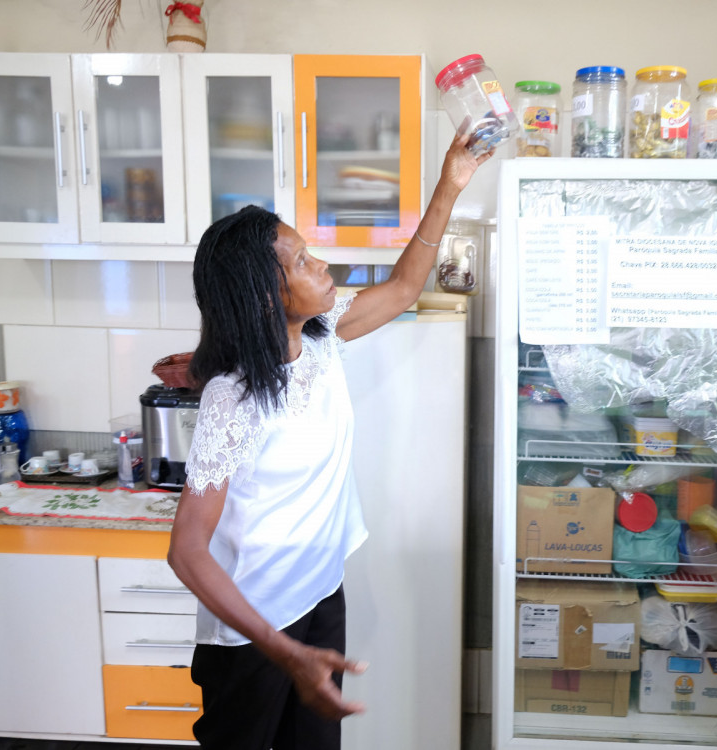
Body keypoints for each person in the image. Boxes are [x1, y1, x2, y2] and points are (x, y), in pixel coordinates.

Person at [167, 126, 492, 750]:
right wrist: (283, 651)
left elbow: (401, 290)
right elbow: (187, 551)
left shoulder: (320, 339)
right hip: (253, 633)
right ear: (268, 298)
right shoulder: (231, 399)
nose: (322, 266)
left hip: (318, 593)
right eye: (301, 261)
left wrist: (449, 185)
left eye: (309, 251)